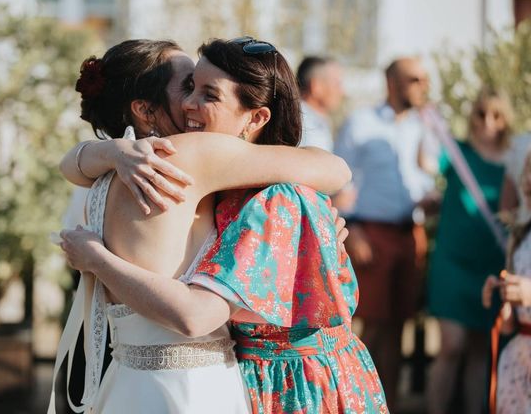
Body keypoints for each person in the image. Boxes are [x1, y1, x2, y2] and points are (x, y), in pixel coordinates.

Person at [60, 38, 388, 414]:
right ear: (144, 110)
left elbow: (69, 166)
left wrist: (106, 151)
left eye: (204, 91)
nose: (189, 103)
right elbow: (336, 169)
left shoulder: (105, 175)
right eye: (187, 86)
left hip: (127, 380)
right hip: (195, 386)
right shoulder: (189, 155)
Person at [333, 56, 436, 411]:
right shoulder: (360, 123)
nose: (423, 87)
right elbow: (340, 178)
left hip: (410, 233)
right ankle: (352, 401)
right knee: (370, 325)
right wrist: (354, 228)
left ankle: (386, 402)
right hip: (371, 234)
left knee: (398, 326)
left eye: (424, 80)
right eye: (415, 80)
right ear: (392, 82)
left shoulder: (425, 125)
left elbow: (424, 174)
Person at [427, 91, 513, 414]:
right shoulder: (456, 153)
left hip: (490, 264)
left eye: (496, 115)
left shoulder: (513, 160)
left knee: (480, 350)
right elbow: (425, 161)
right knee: (452, 345)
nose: (487, 122)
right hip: (452, 263)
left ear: (505, 120)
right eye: (480, 114)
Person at [483, 149, 531, 413]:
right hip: (519, 360)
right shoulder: (520, 234)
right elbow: (508, 325)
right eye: (527, 170)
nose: (528, 179)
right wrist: (504, 295)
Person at [296, 56, 344, 151]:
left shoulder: (316, 121)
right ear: (316, 86)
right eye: (336, 84)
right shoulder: (299, 123)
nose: (342, 91)